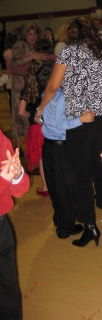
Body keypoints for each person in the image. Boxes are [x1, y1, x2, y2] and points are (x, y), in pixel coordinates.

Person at [36, 16, 102, 247]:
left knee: (81, 177)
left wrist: (41, 107)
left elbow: (53, 85)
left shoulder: (68, 53)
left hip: (80, 122)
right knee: (101, 166)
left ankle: (90, 226)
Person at [41, 88, 94, 238]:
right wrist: (81, 119)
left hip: (48, 146)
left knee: (55, 188)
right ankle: (66, 227)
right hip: (59, 147)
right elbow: (60, 125)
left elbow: (43, 118)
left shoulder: (46, 94)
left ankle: (61, 223)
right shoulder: (62, 96)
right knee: (64, 189)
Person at [18, 38, 55, 196]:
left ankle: (46, 187)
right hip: (51, 125)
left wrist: (30, 115)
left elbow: (21, 111)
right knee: (54, 156)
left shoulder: (28, 88)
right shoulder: (50, 84)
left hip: (36, 129)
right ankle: (56, 184)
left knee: (41, 159)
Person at [0, 128, 30, 320]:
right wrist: (3, 180)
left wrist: (17, 174)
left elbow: (19, 190)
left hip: (1, 229)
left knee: (9, 296)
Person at [10, 23, 50, 149]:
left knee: (30, 117)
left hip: (33, 87)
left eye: (35, 34)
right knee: (18, 116)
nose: (33, 36)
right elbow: (14, 63)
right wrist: (30, 57)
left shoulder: (37, 47)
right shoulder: (20, 45)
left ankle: (31, 144)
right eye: (30, 34)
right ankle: (17, 146)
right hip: (20, 86)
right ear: (25, 35)